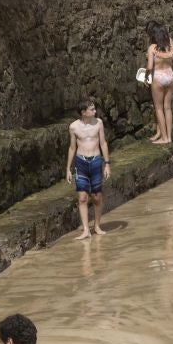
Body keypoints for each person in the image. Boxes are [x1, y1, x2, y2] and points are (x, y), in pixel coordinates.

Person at [66, 97, 110, 239]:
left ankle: (97, 226)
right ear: (84, 112)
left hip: (96, 161)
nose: (95, 111)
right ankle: (86, 229)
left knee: (96, 197)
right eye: (92, 109)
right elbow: (72, 147)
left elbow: (103, 143)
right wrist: (68, 169)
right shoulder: (73, 127)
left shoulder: (98, 123)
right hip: (81, 162)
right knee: (83, 197)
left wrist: (107, 164)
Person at [145, 21, 173, 144]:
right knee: (168, 108)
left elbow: (149, 67)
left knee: (159, 108)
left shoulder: (152, 48)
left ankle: (164, 138)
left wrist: (146, 78)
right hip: (169, 76)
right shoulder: (171, 44)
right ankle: (169, 137)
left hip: (158, 78)